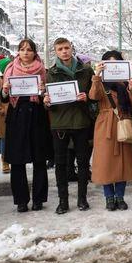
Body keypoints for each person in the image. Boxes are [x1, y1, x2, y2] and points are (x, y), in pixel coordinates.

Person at [44, 37, 95, 214]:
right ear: (56, 52)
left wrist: (87, 97)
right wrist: (47, 101)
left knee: (82, 163)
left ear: (71, 48)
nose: (64, 51)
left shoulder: (86, 70)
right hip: (60, 123)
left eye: (66, 48)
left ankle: (82, 198)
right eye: (60, 49)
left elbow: (95, 95)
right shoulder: (51, 72)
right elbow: (47, 97)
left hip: (81, 121)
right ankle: (63, 201)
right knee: (61, 164)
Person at [1, 39, 50, 212]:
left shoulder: (42, 69)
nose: (26, 53)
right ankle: (21, 200)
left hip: (36, 115)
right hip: (16, 116)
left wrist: (43, 91)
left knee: (39, 159)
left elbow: (46, 96)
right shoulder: (10, 69)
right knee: (17, 161)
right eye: (22, 50)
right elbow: (4, 98)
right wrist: (5, 90)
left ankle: (38, 199)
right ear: (18, 52)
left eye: (29, 50)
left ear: (34, 52)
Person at [89, 51, 132, 211]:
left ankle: (120, 196)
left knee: (123, 162)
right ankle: (109, 197)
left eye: (116, 62)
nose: (113, 66)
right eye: (108, 63)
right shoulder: (101, 82)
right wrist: (96, 75)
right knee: (106, 162)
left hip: (123, 123)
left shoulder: (126, 83)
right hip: (105, 125)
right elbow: (93, 96)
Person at [0, 56, 12, 174]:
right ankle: (4, 161)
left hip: (15, 113)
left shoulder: (15, 78)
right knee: (4, 139)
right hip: (2, 115)